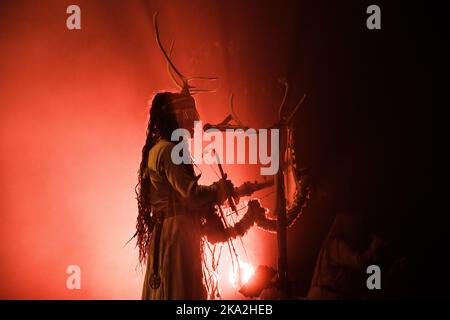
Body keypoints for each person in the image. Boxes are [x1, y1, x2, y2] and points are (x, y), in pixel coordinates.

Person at [134, 92, 263, 300]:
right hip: (176, 235)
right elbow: (192, 196)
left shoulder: (163, 149)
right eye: (190, 115)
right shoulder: (167, 150)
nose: (195, 122)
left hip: (177, 231)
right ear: (179, 116)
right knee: (179, 291)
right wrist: (219, 189)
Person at [307, 212, 388, 299]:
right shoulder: (336, 245)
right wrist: (372, 251)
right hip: (325, 296)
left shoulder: (331, 244)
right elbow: (358, 263)